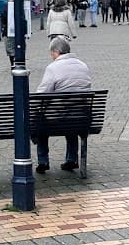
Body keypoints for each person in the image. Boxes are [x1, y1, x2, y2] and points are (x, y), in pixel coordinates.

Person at [35, 36, 92, 173]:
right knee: (71, 120)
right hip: (82, 119)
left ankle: (43, 160)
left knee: (39, 121)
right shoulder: (83, 65)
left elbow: (41, 95)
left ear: (56, 52)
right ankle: (71, 159)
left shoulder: (53, 68)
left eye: (51, 53)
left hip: (59, 119)